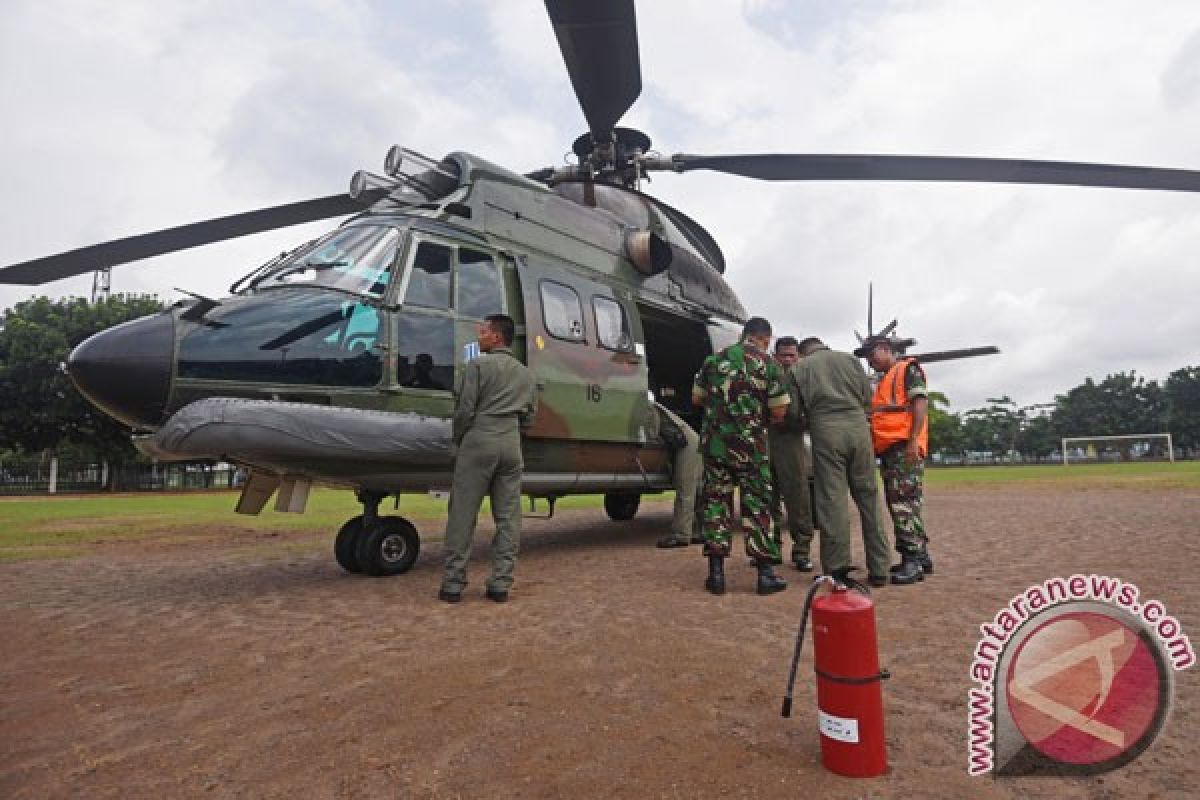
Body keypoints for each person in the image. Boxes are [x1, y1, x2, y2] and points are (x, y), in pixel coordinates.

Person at [439, 314, 538, 604]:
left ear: (496, 337)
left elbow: (464, 409)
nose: (478, 336)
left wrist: (459, 440)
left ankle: (453, 583)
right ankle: (500, 584)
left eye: (482, 332)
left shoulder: (477, 366)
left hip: (479, 438)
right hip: (511, 442)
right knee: (508, 517)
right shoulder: (526, 374)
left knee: (462, 514)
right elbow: (530, 418)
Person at [692, 317, 791, 596]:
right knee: (758, 506)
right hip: (752, 449)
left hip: (716, 447)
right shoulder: (769, 364)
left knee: (715, 504)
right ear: (765, 338)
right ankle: (764, 575)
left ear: (744, 335)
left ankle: (716, 575)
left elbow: (696, 399)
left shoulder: (712, 362)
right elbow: (780, 411)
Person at [788, 337, 890, 586]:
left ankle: (837, 569)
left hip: (825, 431)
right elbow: (868, 397)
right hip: (858, 429)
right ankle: (880, 568)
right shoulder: (851, 360)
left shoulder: (799, 369)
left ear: (803, 352)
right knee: (869, 498)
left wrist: (806, 422)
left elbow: (792, 413)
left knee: (832, 501)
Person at [859, 335, 932, 585]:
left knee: (902, 504)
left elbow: (920, 403)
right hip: (891, 448)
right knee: (907, 503)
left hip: (903, 446)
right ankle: (920, 556)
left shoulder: (906, 369)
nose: (870, 361)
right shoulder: (886, 378)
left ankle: (912, 560)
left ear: (885, 348)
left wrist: (913, 441)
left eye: (872, 355)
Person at [768, 336, 816, 572]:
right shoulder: (767, 376)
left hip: (792, 443)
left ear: (798, 357)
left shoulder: (806, 380)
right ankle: (771, 548)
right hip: (768, 441)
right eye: (783, 355)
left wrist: (794, 421)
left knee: (798, 498)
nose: (787, 359)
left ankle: (801, 550)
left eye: (792, 355)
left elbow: (814, 411)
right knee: (769, 499)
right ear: (775, 356)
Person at [650, 400, 704, 549]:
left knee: (685, 490)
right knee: (698, 490)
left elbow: (652, 433)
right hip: (691, 444)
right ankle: (700, 532)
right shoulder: (655, 407)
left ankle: (681, 535)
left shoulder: (650, 407)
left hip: (687, 447)